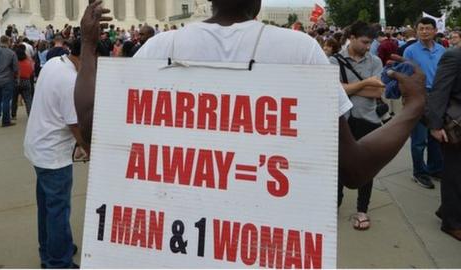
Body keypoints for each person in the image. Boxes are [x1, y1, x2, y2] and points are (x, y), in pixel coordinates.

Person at [75, 0, 426, 195]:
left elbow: (93, 133)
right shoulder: (300, 50)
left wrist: (88, 45)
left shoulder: (158, 47)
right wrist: (413, 108)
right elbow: (353, 169)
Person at [24, 39, 86, 269]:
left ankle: (50, 250)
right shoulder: (71, 81)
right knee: (59, 209)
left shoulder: (54, 63)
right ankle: (59, 262)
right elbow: (75, 125)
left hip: (38, 147)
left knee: (48, 207)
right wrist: (86, 147)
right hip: (53, 155)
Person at [330, 21, 384, 230]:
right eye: (364, 42)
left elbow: (377, 92)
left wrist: (347, 88)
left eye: (370, 43)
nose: (367, 46)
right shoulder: (333, 61)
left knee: (365, 167)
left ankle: (362, 209)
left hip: (368, 119)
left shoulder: (375, 61)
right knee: (338, 165)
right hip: (342, 120)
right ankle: (335, 203)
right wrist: (364, 83)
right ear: (351, 37)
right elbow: (333, 90)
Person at [403, 17, 445, 189]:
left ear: (435, 31)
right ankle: (419, 172)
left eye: (428, 28)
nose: (425, 31)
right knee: (419, 139)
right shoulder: (410, 51)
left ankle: (435, 168)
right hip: (418, 95)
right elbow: (405, 76)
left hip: (438, 97)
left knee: (436, 135)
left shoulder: (442, 50)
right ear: (416, 31)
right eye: (421, 28)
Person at [426, 47, 461, 241]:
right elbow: (439, 91)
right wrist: (435, 126)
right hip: (455, 127)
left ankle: (446, 210)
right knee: (455, 175)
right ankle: (452, 223)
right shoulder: (453, 56)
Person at [11, 44, 33, 119]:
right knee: (28, 99)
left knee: (14, 99)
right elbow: (31, 71)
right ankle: (30, 114)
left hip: (16, 81)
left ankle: (13, 115)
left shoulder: (15, 62)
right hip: (26, 80)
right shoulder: (28, 61)